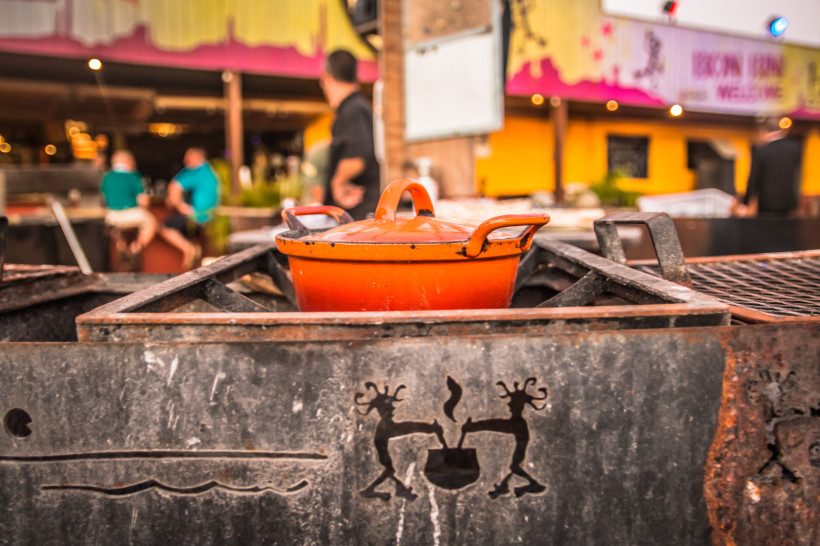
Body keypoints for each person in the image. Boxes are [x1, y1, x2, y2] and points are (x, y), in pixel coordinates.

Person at [319, 48, 381, 220]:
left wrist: (338, 182)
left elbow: (358, 154)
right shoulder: (357, 107)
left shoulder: (353, 109)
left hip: (358, 217)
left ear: (326, 76)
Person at [160, 147, 220, 269]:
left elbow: (174, 186)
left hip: (200, 216)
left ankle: (189, 249)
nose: (185, 160)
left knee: (164, 226)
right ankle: (194, 249)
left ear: (198, 157)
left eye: (188, 157)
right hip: (213, 217)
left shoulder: (197, 170)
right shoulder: (209, 171)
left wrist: (179, 205)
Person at [737, 117, 803, 217]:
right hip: (789, 202)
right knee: (787, 231)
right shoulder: (795, 148)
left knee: (769, 231)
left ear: (765, 131)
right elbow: (798, 175)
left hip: (767, 203)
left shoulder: (762, 151)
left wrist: (745, 203)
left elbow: (754, 178)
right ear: (782, 130)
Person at [100, 150, 157, 259]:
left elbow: (103, 197)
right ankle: (135, 248)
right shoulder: (133, 176)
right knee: (151, 222)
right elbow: (143, 201)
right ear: (128, 161)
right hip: (131, 215)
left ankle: (120, 247)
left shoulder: (106, 177)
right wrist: (145, 209)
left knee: (117, 230)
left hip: (111, 217)